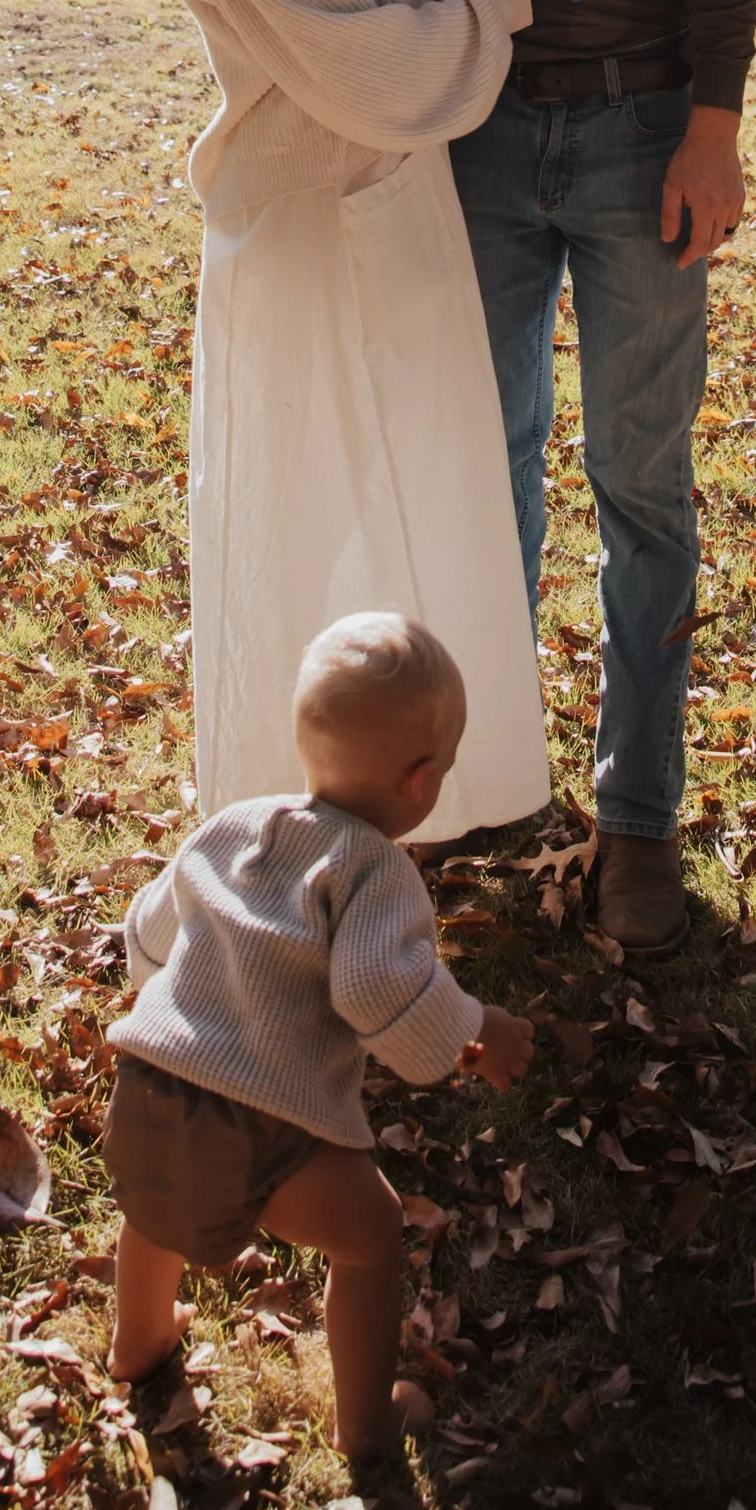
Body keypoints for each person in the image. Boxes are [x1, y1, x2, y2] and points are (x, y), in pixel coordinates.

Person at [314, 0, 756, 955]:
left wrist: (712, 125)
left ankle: (639, 822)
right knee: (482, 477)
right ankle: (493, 790)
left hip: (645, 137)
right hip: (479, 147)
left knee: (641, 482)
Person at [82, 0, 587, 842]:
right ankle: (297, 821)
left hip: (385, 218)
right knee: (321, 512)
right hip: (317, 235)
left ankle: (433, 784)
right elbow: (376, 73)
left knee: (420, 490)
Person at [103, 611, 538, 1462]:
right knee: (371, 1237)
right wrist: (474, 1034)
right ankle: (369, 1431)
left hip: (148, 1087)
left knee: (152, 1211)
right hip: (259, 1131)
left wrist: (174, 1002)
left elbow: (152, 933)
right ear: (420, 782)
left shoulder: (231, 825)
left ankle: (139, 1344)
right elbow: (383, 990)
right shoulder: (375, 870)